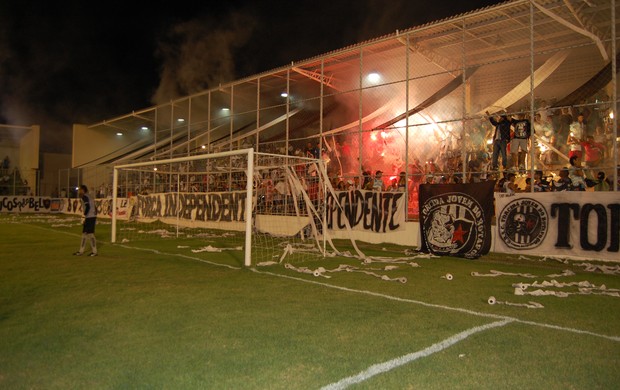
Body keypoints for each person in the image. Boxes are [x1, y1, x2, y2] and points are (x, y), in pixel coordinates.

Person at [73, 185, 98, 256]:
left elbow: (88, 206)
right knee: (84, 233)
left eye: (79, 190)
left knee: (90, 233)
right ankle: (81, 251)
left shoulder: (84, 197)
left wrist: (84, 216)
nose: (78, 191)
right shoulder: (89, 196)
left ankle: (94, 252)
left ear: (82, 190)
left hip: (89, 217)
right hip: (91, 216)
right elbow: (94, 207)